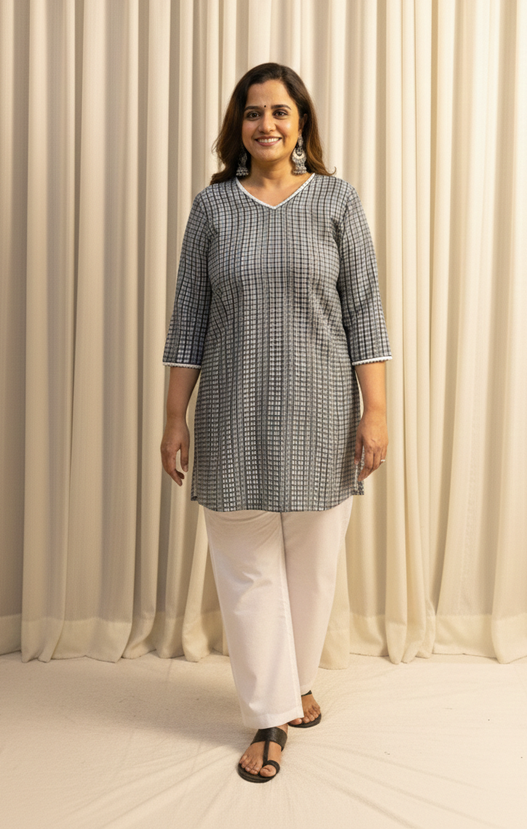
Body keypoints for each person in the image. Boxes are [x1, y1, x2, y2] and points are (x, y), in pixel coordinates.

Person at [160, 63, 392, 783]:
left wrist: (376, 410)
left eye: (280, 112)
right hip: (232, 414)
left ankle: (295, 682)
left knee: (312, 568)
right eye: (254, 112)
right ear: (239, 125)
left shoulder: (336, 200)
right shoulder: (212, 208)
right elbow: (189, 319)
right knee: (246, 571)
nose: (266, 124)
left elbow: (364, 311)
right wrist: (174, 417)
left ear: (301, 123)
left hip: (323, 414)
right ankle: (269, 716)